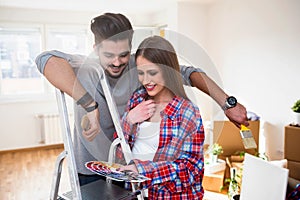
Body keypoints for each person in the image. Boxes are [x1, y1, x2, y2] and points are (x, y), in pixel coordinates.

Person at [35, 13, 248, 186]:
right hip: (90, 167)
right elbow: (45, 60)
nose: (117, 62)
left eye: (123, 54)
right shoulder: (85, 67)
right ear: (95, 50)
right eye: (109, 55)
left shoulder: (141, 67)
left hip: (126, 169)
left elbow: (189, 73)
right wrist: (90, 105)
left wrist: (227, 103)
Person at [117, 35, 205, 199]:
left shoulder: (187, 112)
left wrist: (142, 169)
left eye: (152, 73)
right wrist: (129, 119)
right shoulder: (137, 99)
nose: (146, 80)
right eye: (141, 73)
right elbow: (119, 151)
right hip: (134, 193)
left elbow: (191, 170)